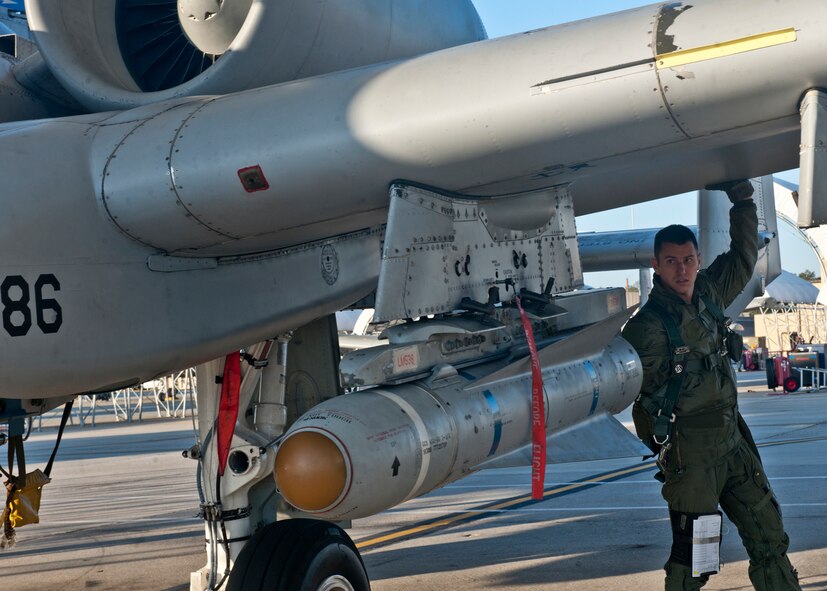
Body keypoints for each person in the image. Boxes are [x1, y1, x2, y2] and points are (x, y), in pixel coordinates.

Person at [622, 179, 800, 590]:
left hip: (733, 443)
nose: (681, 270)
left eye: (687, 259)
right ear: (656, 265)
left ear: (698, 260)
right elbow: (626, 387)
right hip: (694, 458)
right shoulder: (645, 330)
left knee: (769, 538)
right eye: (671, 262)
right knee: (694, 564)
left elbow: (743, 256)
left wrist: (743, 201)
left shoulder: (709, 293)